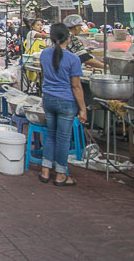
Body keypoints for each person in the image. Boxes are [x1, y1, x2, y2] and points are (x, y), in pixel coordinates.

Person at [38, 23, 87, 186]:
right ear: (68, 37)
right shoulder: (73, 59)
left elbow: (44, 76)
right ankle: (60, 174)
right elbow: (76, 86)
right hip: (66, 102)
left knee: (51, 135)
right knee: (63, 138)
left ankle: (45, 171)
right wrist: (82, 109)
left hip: (48, 99)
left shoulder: (44, 54)